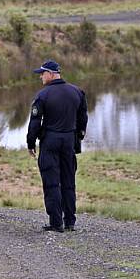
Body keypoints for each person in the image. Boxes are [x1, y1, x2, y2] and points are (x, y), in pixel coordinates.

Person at [27, 60, 88, 233]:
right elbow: (83, 118)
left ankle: (56, 223)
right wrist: (78, 138)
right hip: (69, 140)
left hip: (50, 142)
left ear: (52, 74)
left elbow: (35, 123)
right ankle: (70, 221)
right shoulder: (77, 92)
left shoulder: (43, 95)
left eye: (42, 73)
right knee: (69, 181)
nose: (40, 76)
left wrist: (31, 143)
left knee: (52, 183)